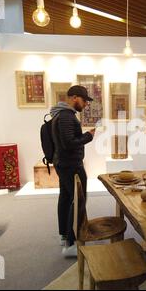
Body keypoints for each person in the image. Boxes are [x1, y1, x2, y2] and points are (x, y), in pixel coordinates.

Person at [50, 85, 96, 257]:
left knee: (66, 198)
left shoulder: (60, 114)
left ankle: (64, 236)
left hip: (64, 164)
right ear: (75, 98)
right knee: (78, 200)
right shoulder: (66, 116)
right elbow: (69, 142)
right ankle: (70, 244)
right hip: (71, 165)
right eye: (84, 101)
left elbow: (65, 141)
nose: (85, 105)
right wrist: (88, 136)